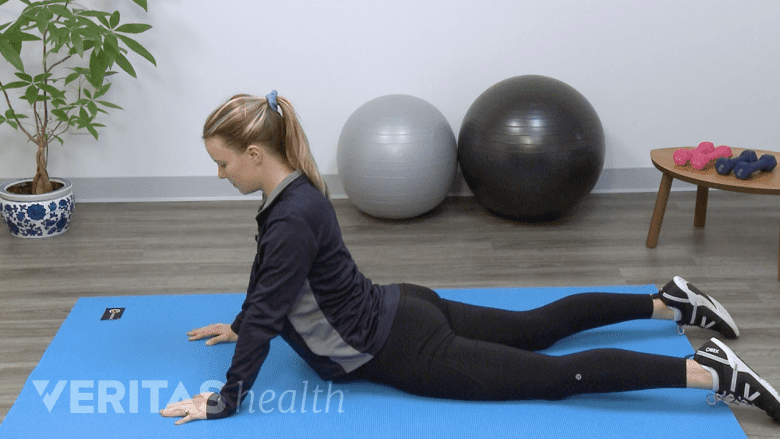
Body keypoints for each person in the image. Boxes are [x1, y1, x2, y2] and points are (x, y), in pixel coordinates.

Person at [160, 91, 780, 425]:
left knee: (555, 377)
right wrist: (243, 321)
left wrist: (224, 398)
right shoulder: (296, 194)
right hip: (405, 305)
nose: (219, 174)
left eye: (222, 161)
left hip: (398, 346)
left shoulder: (289, 217)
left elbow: (272, 301)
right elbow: (270, 283)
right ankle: (667, 301)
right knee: (536, 327)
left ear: (253, 153)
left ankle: (710, 371)